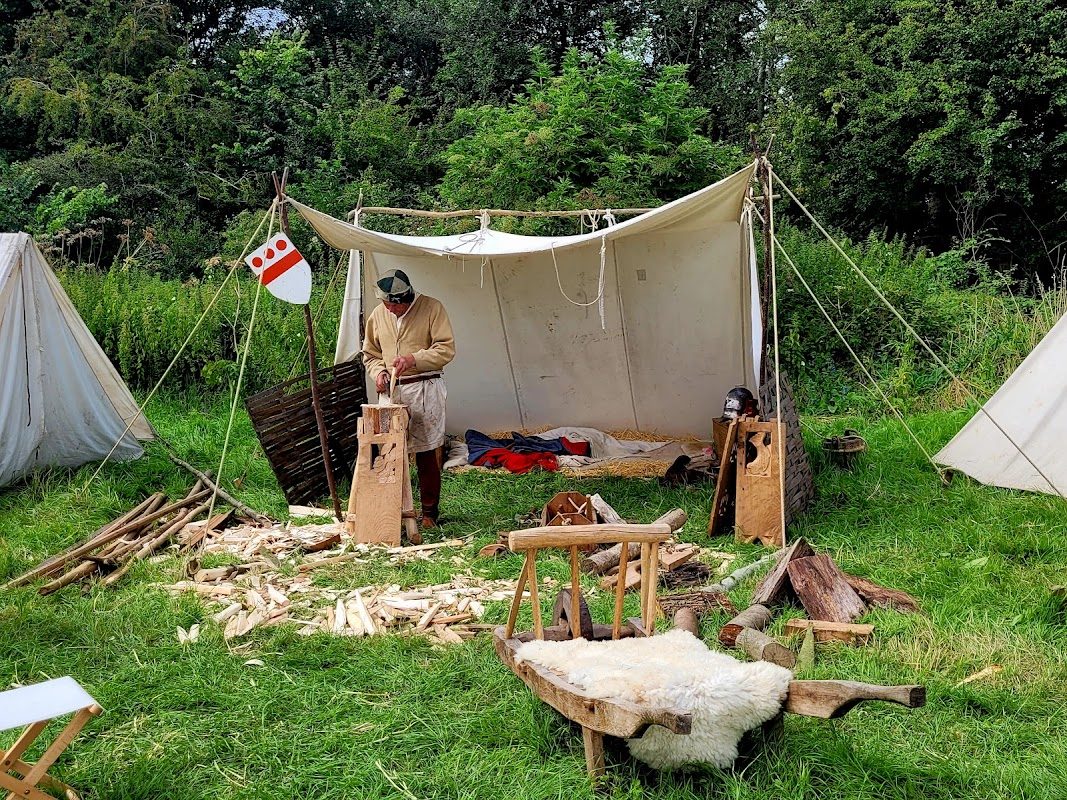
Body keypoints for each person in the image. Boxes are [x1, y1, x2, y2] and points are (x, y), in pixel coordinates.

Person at [362, 269, 455, 528]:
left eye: (395, 305)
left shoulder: (432, 308)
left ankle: (429, 514)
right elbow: (369, 353)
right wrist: (378, 371)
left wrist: (414, 359)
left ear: (406, 298)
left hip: (423, 387)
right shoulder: (378, 315)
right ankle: (389, 512)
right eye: (386, 304)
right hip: (391, 392)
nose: (390, 310)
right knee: (387, 451)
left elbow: (446, 349)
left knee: (426, 451)